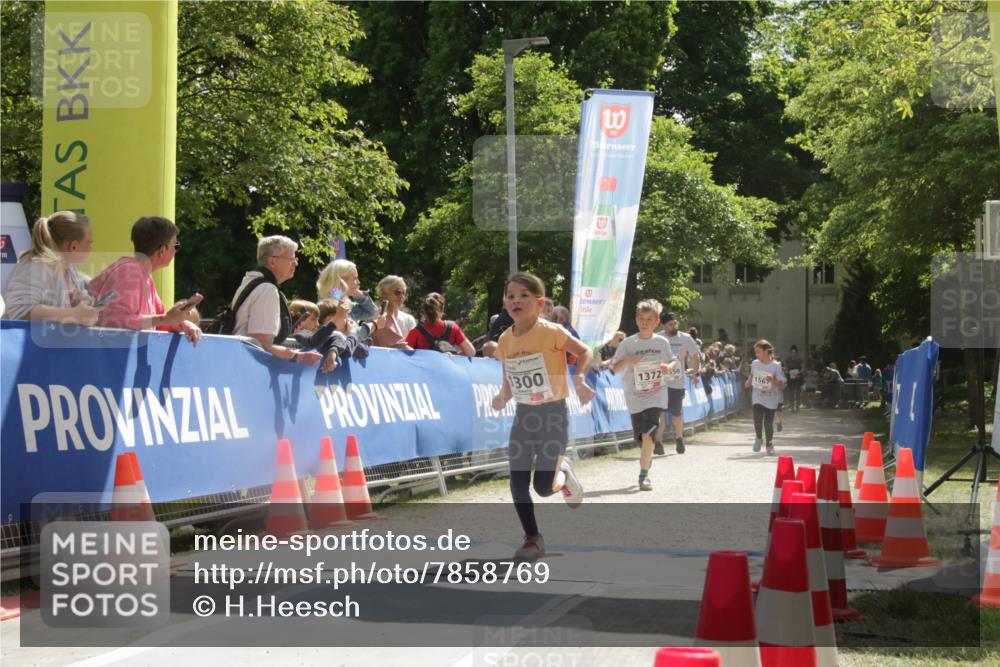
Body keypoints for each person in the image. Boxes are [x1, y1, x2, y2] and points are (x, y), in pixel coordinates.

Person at [491, 272, 595, 561]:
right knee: (517, 480)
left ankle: (563, 471)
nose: (516, 300)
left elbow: (585, 351)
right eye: (511, 295)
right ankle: (532, 539)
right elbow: (509, 381)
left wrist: (580, 379)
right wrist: (501, 397)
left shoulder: (552, 332)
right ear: (505, 303)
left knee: (543, 487)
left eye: (524, 295)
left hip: (553, 414)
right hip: (524, 415)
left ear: (538, 303)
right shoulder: (504, 340)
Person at [90, 216, 201, 345]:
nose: (176, 250)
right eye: (176, 245)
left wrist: (179, 324)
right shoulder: (129, 272)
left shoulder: (143, 274)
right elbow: (113, 322)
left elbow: (155, 324)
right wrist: (165, 319)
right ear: (162, 250)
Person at [610, 299, 678, 491]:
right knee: (641, 437)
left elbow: (674, 362)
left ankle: (643, 476)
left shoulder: (661, 342)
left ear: (657, 322)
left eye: (649, 319)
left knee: (648, 434)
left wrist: (667, 367)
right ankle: (646, 458)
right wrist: (628, 360)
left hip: (656, 395)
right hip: (635, 396)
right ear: (636, 320)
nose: (645, 322)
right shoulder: (628, 343)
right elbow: (614, 369)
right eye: (641, 318)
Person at [228, 235, 322, 365]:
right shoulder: (267, 289)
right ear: (272, 262)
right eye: (291, 259)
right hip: (248, 367)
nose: (296, 263)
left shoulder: (253, 281)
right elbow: (260, 345)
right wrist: (298, 356)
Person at [2, 211, 103, 325]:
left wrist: (76, 304)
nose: (90, 248)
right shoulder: (37, 266)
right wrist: (73, 315)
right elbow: (20, 311)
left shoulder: (69, 270)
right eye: (89, 242)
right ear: (73, 246)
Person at [655, 311, 701, 455]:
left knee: (676, 413)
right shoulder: (657, 338)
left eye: (675, 323)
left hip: (677, 382)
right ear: (662, 325)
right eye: (670, 324)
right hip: (660, 382)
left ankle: (679, 438)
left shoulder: (686, 338)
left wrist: (694, 373)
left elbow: (695, 355)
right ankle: (658, 442)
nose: (674, 327)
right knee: (659, 414)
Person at [745, 339, 786, 454]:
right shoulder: (755, 363)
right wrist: (748, 382)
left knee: (768, 423)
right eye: (755, 352)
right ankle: (758, 437)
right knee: (757, 419)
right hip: (757, 396)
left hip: (771, 398)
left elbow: (782, 384)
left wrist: (772, 381)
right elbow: (752, 375)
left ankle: (769, 444)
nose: (756, 354)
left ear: (766, 351)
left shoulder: (776, 366)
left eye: (758, 351)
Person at [406, 292, 475, 357]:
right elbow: (471, 352)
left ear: (424, 311)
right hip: (446, 369)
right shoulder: (453, 328)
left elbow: (405, 356)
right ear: (442, 309)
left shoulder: (416, 332)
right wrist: (454, 356)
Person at [370, 275, 416, 349]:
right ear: (383, 292)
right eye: (398, 292)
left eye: (404, 293)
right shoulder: (372, 315)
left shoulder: (409, 319)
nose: (402, 296)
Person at [784, 345, 804, 413]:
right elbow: (786, 368)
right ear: (790, 352)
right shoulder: (788, 359)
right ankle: (792, 407)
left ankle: (797, 406)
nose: (793, 353)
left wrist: (799, 373)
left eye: (794, 352)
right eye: (792, 352)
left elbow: (802, 368)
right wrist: (786, 371)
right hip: (790, 377)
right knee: (791, 393)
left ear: (796, 353)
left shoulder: (799, 359)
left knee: (798, 392)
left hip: (798, 377)